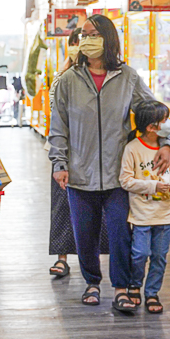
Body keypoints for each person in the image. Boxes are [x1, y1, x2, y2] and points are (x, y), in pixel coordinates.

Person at [48, 14, 170, 313]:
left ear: (108, 38)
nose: (86, 40)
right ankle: (91, 282)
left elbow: (153, 110)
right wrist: (59, 163)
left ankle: (120, 287)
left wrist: (166, 142)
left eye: (92, 34)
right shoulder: (67, 81)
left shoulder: (127, 77)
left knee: (120, 233)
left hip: (119, 174)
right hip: (80, 173)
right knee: (84, 234)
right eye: (83, 34)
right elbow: (58, 126)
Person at [48, 29, 109, 278]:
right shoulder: (64, 78)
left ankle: (96, 261)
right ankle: (62, 259)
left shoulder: (112, 75)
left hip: (100, 155)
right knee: (63, 207)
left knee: (100, 210)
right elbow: (56, 112)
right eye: (75, 43)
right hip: (67, 155)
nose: (79, 46)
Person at [119, 100, 170, 314]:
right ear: (151, 126)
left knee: (159, 257)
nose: (169, 124)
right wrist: (154, 185)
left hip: (164, 215)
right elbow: (126, 181)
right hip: (141, 216)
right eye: (164, 121)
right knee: (139, 253)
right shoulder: (132, 149)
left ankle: (152, 292)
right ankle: (135, 285)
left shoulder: (167, 149)